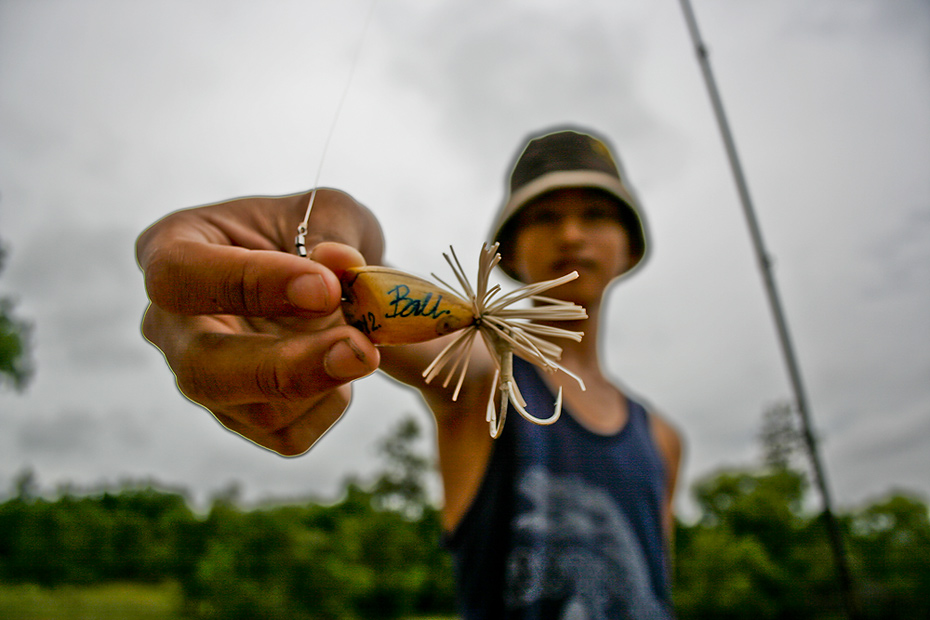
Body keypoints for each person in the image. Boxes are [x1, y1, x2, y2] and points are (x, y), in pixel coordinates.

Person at [137, 126, 683, 619]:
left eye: (595, 214)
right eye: (544, 216)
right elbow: (389, 310)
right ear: (510, 248)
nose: (570, 233)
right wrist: (309, 265)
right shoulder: (482, 377)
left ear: (628, 243)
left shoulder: (662, 440)